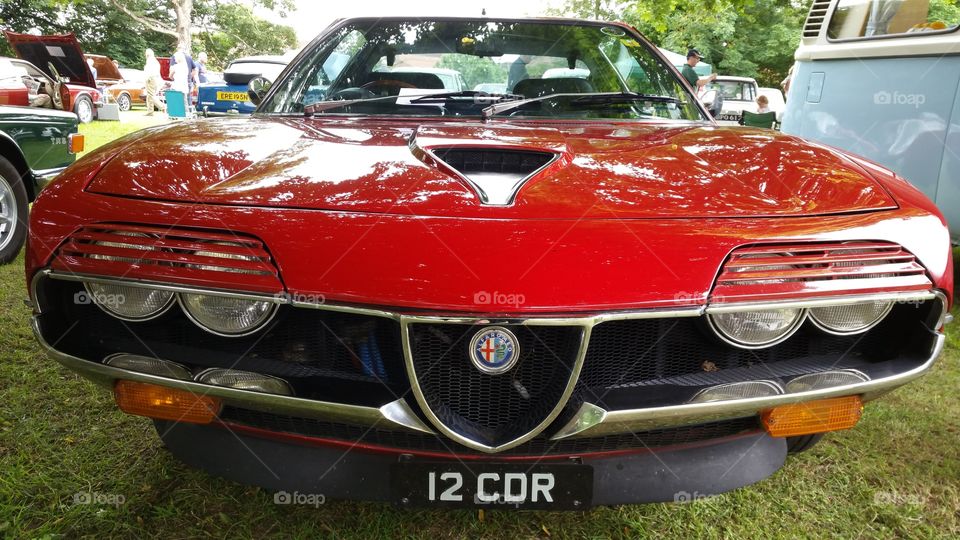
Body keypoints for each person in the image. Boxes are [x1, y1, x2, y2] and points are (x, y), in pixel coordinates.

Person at [143, 48, 163, 115]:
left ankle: (162, 107)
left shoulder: (150, 60)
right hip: (154, 79)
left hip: (151, 79)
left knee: (151, 96)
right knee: (149, 96)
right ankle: (150, 111)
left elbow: (149, 71)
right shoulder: (154, 60)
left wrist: (147, 79)